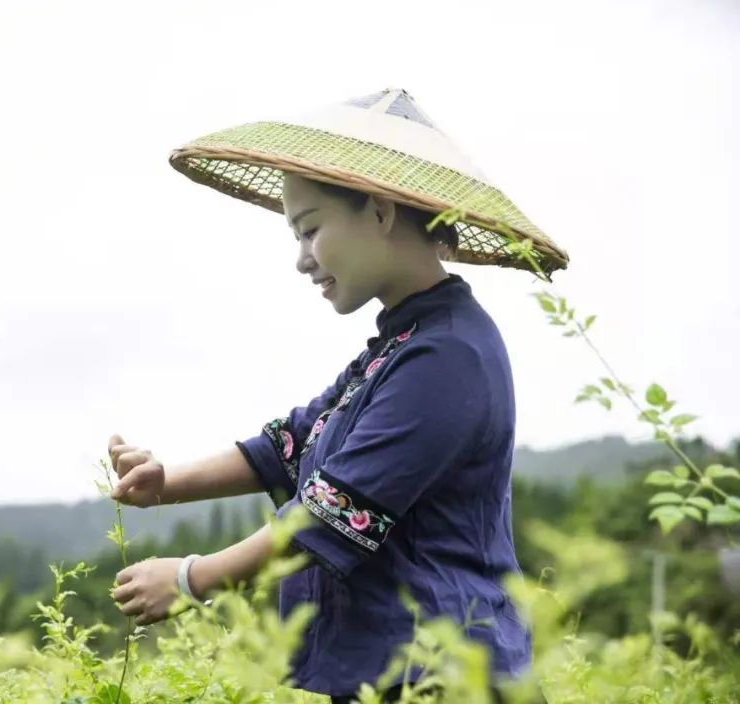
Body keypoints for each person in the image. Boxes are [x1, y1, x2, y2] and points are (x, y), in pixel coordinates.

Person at [108, 88, 566, 703]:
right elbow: (295, 441)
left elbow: (334, 512)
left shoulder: (448, 356)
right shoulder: (402, 342)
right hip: (396, 677)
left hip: (447, 677)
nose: (302, 260)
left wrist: (193, 579)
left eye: (310, 230)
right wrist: (166, 483)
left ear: (378, 211)